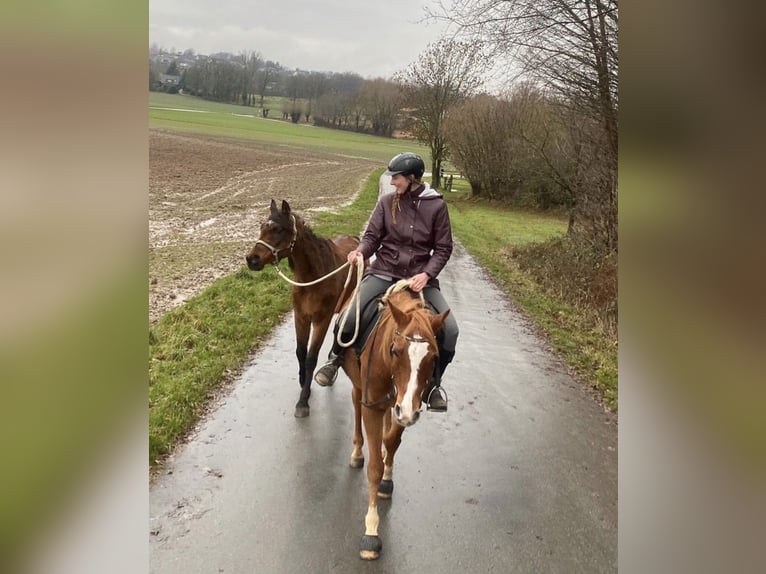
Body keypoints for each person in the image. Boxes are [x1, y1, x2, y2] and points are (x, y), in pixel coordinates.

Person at [314, 152, 459, 412]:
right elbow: (372, 236)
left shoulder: (437, 206)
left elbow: (443, 248)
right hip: (384, 271)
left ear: (413, 178)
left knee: (451, 331)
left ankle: (435, 384)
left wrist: (426, 274)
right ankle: (334, 359)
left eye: (397, 178)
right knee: (348, 316)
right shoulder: (387, 202)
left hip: (419, 280)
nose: (392, 183)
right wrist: (361, 252)